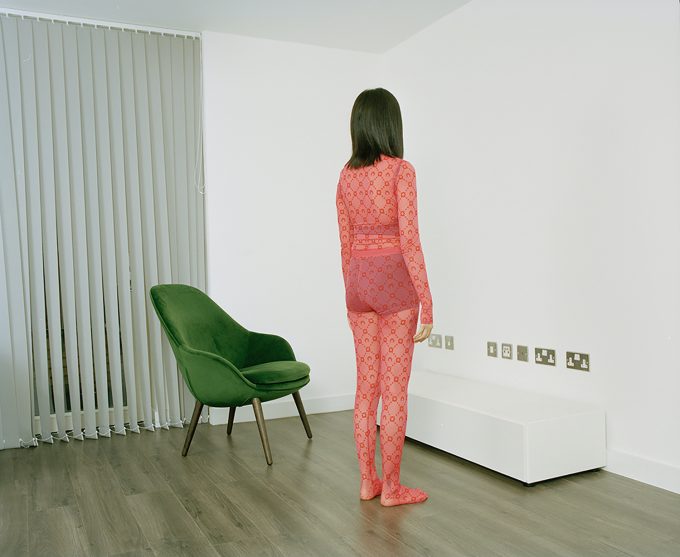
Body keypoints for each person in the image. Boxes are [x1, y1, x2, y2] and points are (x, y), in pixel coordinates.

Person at [335, 88, 434, 507]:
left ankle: (367, 482)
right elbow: (410, 241)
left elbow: (345, 245)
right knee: (393, 392)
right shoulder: (401, 172)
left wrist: (352, 291)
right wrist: (427, 302)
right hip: (394, 286)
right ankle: (391, 488)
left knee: (365, 389)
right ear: (391, 124)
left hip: (358, 284)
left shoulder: (345, 175)